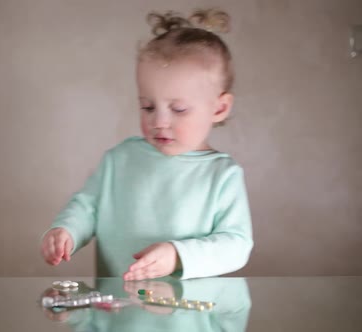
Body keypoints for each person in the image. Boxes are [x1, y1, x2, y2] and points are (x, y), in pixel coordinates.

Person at [40, 9, 253, 280]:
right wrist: (66, 230)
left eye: (179, 109)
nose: (160, 121)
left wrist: (178, 255)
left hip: (188, 318)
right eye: (148, 107)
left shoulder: (222, 174)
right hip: (118, 311)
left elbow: (236, 245)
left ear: (219, 108)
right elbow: (87, 207)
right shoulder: (120, 159)